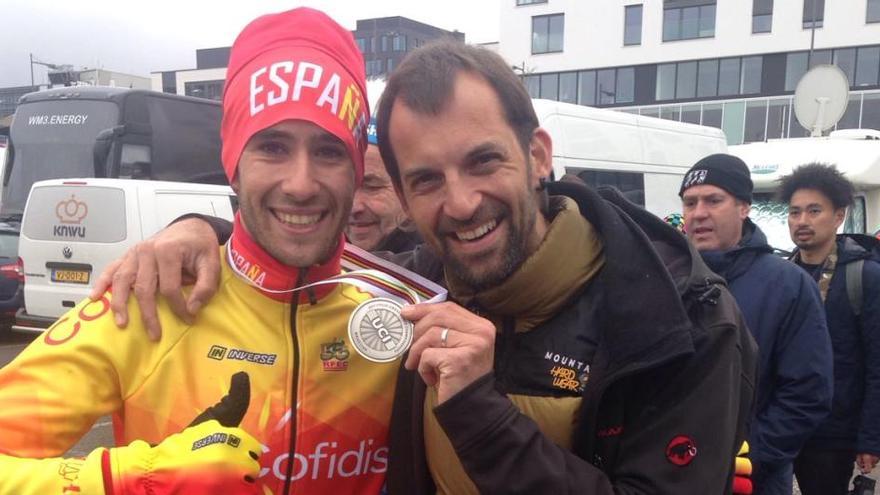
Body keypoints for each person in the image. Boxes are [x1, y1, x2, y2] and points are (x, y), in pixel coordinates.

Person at [97, 41, 758, 493]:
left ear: (537, 155)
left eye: (482, 161)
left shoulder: (682, 318)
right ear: (405, 199)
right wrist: (199, 234)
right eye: (426, 179)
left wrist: (479, 410)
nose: (461, 202)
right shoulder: (414, 279)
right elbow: (308, 262)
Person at [0, 8, 442, 494]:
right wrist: (137, 480)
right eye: (272, 148)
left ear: (356, 169)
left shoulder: (401, 314)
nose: (300, 183)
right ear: (233, 164)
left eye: (329, 151)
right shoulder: (150, 299)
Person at [679, 154, 833, 495]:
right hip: (673, 472)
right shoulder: (668, 277)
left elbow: (808, 393)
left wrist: (748, 457)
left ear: (744, 207)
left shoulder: (788, 285)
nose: (699, 213)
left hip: (751, 480)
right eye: (690, 202)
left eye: (713, 200)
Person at [778, 163, 880, 495]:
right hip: (779, 425)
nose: (802, 221)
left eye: (813, 210)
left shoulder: (864, 276)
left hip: (833, 434)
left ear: (838, 216)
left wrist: (870, 436)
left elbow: (878, 363)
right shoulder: (781, 275)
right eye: (794, 212)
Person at [346, 131, 420, 253]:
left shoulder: (438, 266)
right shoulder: (319, 259)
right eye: (347, 187)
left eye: (372, 187)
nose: (354, 207)